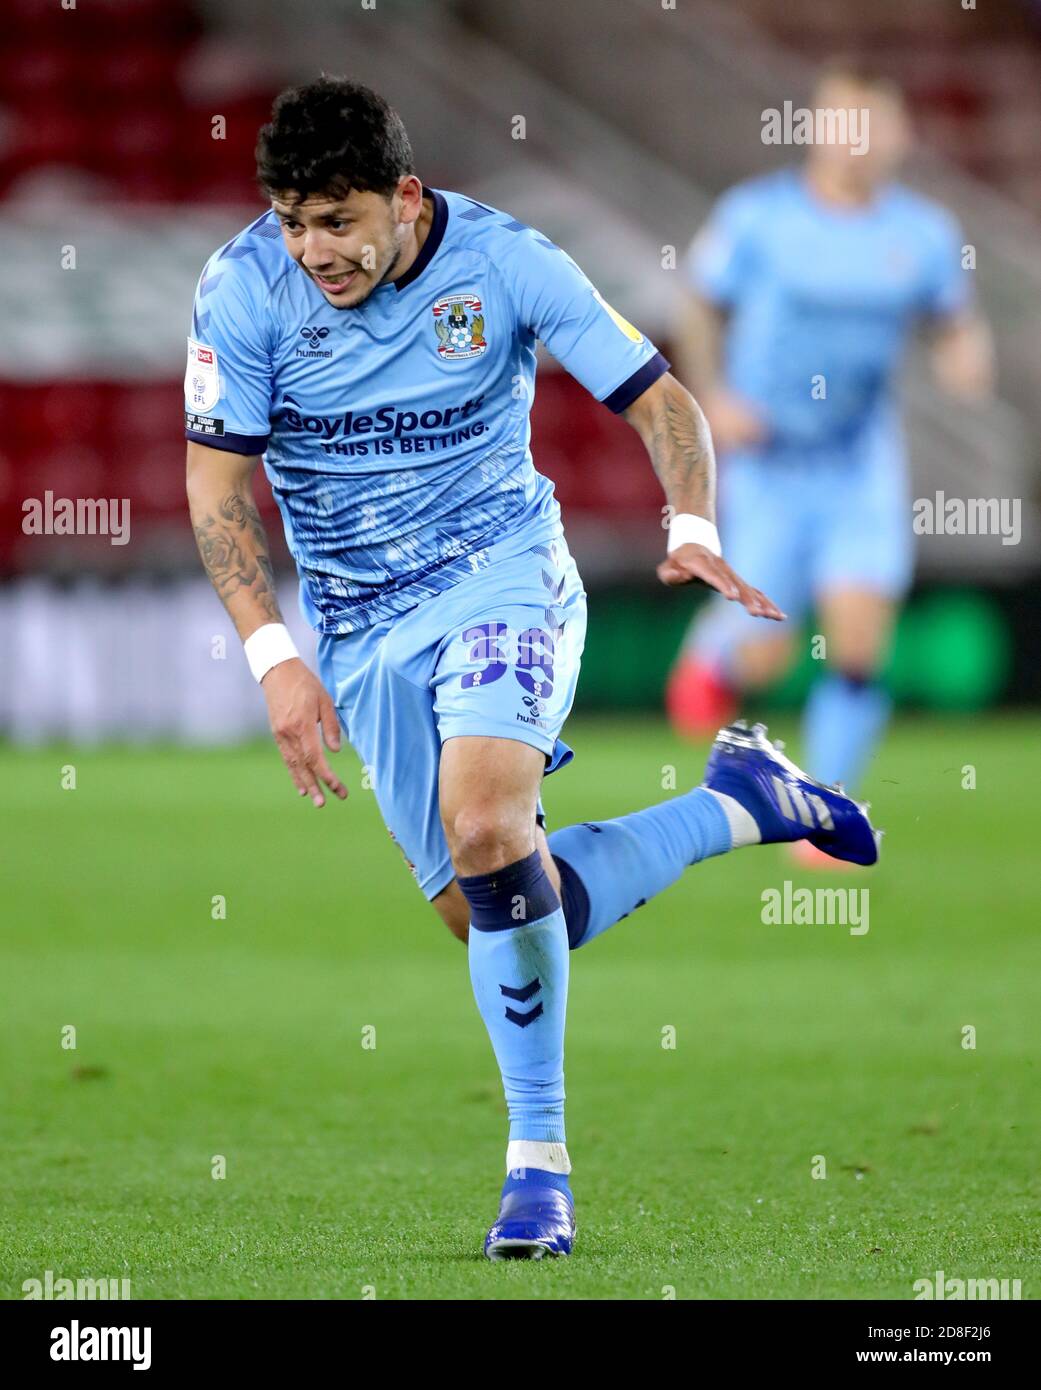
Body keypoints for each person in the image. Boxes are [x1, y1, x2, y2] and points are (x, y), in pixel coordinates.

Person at [185, 76, 878, 1259]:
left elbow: (661, 402)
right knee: (485, 899)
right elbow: (215, 493)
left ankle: (538, 1168)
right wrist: (273, 657)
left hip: (503, 577)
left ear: (405, 198)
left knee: (487, 821)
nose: (316, 251)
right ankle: (736, 805)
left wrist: (693, 524)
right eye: (296, 220)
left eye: (340, 220)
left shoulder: (505, 264)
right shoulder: (242, 289)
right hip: (360, 628)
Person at [667, 64, 993, 866]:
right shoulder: (756, 218)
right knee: (768, 653)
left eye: (876, 126)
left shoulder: (920, 234)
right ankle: (716, 647)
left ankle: (818, 811)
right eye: (846, 124)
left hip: (857, 461)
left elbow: (952, 323)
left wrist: (962, 357)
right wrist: (713, 393)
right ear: (814, 128)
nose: (861, 144)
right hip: (768, 462)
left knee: (857, 639)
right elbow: (698, 306)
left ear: (899, 136)